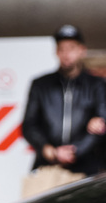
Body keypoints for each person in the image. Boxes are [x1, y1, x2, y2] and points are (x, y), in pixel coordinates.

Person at [22, 25, 106, 184]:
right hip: (47, 167)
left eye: (72, 48)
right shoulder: (41, 85)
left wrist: (76, 151)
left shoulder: (97, 85)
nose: (67, 54)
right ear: (56, 51)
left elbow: (102, 122)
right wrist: (49, 150)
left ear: (82, 50)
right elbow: (29, 124)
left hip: (87, 170)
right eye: (62, 49)